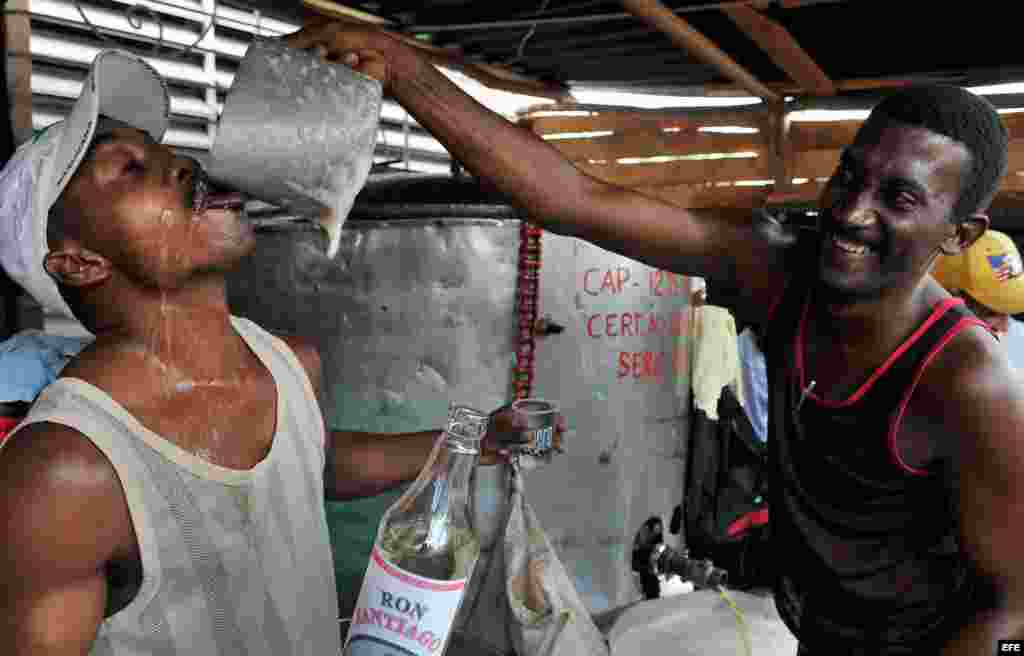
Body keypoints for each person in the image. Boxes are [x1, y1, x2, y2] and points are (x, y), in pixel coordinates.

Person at [286, 22, 1024, 654]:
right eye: (849, 177)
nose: (854, 212)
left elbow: (1014, 604)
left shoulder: (965, 383)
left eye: (899, 198)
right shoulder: (773, 270)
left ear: (959, 233)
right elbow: (573, 200)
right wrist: (406, 69)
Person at [0, 50, 541, 655]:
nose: (180, 164)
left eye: (161, 150)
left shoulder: (288, 362)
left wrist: (471, 441)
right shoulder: (62, 471)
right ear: (80, 262)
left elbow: (314, 463)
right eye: (126, 169)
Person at [932, 228, 1024, 369]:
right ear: (949, 299)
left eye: (1009, 310)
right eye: (991, 313)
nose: (1005, 327)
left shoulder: (1019, 338)